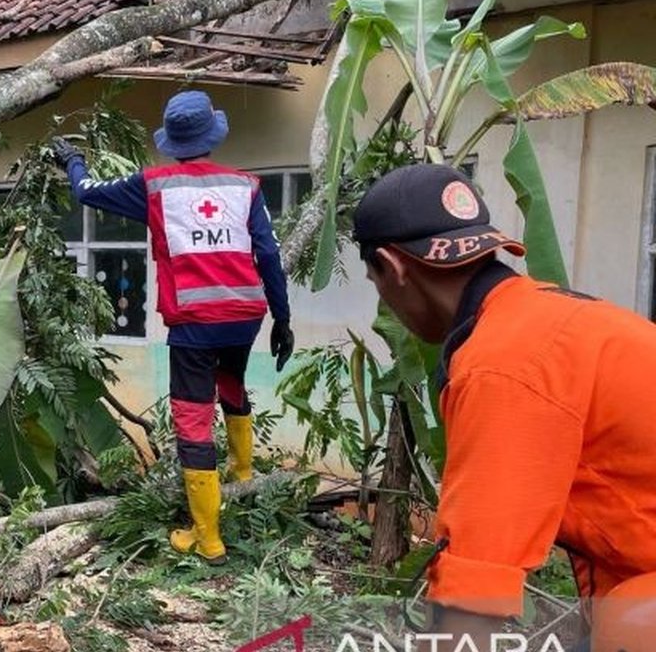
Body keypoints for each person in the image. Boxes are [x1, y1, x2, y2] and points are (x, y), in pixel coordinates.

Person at [351, 162, 656, 646]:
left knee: (633, 623)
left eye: (375, 283)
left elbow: (473, 597)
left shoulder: (502, 365)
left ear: (393, 267)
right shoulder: (547, 315)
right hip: (633, 570)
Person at [50, 89, 293, 565]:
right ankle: (242, 473)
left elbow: (86, 192)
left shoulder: (154, 185)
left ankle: (208, 539)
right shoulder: (246, 185)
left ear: (171, 140)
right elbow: (269, 254)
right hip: (245, 317)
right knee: (232, 383)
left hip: (195, 326)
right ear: (212, 135)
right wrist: (282, 318)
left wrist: (73, 161)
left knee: (193, 424)